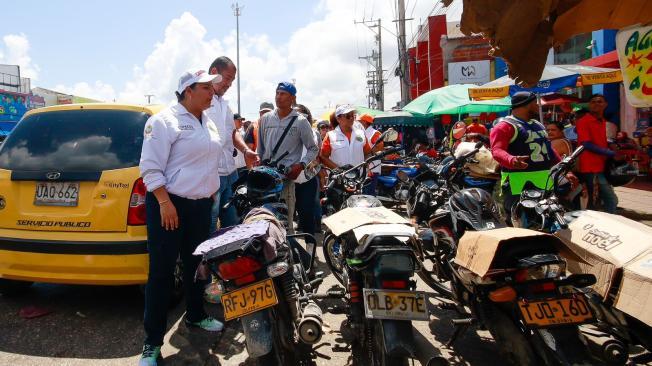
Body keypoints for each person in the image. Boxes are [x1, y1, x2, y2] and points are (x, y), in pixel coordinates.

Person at [138, 69, 225, 366]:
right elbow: (150, 167)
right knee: (161, 272)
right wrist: (164, 202)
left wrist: (211, 193)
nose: (211, 92)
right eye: (205, 87)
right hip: (169, 204)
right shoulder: (163, 121)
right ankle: (151, 343)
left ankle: (196, 316)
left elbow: (208, 163)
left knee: (197, 266)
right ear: (188, 90)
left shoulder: (208, 123)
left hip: (200, 206)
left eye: (212, 87)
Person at [490, 91, 567, 217]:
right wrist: (512, 160)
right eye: (535, 103)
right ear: (525, 104)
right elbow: (497, 150)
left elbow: (548, 150)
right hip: (518, 184)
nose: (538, 105)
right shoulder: (505, 126)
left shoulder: (538, 125)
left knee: (548, 219)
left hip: (545, 182)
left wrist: (563, 167)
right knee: (520, 224)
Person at [257, 82, 319, 234]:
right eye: (277, 93)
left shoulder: (301, 121)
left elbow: (313, 148)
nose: (279, 97)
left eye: (283, 94)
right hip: (265, 181)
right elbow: (261, 148)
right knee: (265, 220)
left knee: (285, 223)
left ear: (293, 98)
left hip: (286, 180)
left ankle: (288, 254)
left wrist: (301, 165)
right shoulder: (265, 118)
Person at [206, 56, 259, 230]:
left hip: (229, 173)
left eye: (232, 80)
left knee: (232, 224)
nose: (229, 84)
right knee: (210, 224)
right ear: (214, 72)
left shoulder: (225, 105)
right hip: (211, 175)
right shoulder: (201, 101)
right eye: (228, 78)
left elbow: (232, 132)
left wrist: (245, 151)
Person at [576, 94, 620, 213]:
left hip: (601, 165)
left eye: (600, 101)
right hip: (590, 167)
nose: (596, 103)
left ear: (605, 105)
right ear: (589, 105)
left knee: (597, 200)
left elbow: (604, 141)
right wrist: (609, 153)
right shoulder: (583, 121)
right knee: (610, 200)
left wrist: (613, 148)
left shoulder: (604, 122)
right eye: (593, 101)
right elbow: (586, 143)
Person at [293, 103, 321, 234]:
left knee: (307, 211)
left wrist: (313, 163)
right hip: (290, 178)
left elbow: (317, 155)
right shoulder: (286, 132)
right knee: (289, 212)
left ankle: (311, 245)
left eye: (302, 115)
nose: (299, 117)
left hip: (308, 177)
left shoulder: (315, 133)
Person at [358, 113, 383, 195]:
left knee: (369, 194)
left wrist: (367, 150)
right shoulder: (360, 133)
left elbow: (379, 150)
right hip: (361, 167)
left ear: (364, 122)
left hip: (372, 168)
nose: (358, 123)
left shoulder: (375, 133)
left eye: (360, 121)